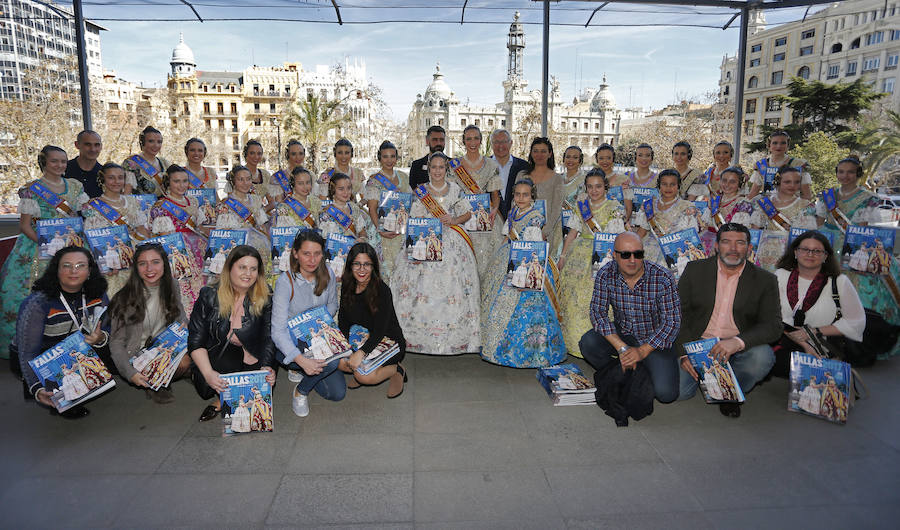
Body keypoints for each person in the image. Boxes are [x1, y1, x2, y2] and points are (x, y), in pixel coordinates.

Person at [676, 223, 782, 417]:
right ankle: (713, 377)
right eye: (726, 242)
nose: (733, 249)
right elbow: (678, 313)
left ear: (750, 249)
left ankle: (729, 392)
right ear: (716, 246)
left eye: (740, 243)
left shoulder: (765, 280)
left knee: (762, 358)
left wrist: (738, 342)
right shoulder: (694, 270)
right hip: (699, 344)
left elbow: (773, 325)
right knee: (679, 393)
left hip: (738, 346)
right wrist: (684, 354)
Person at [0, 145, 89, 358]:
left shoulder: (75, 187)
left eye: (63, 161)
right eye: (54, 161)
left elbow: (84, 214)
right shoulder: (32, 189)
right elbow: (25, 226)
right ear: (44, 163)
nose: (59, 165)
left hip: (70, 245)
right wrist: (49, 246)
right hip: (36, 248)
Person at [392, 152, 480, 355]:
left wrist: (453, 219)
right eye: (434, 167)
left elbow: (468, 212)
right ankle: (416, 337)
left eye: (441, 167)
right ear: (428, 168)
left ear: (446, 169)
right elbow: (412, 216)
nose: (438, 171)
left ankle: (455, 339)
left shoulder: (456, 189)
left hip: (452, 240)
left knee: (455, 284)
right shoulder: (420, 191)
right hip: (426, 240)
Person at [579, 232, 681, 403]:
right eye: (625, 255)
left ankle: (641, 366)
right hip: (624, 333)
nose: (632, 260)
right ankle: (622, 373)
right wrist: (622, 349)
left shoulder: (662, 277)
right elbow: (598, 313)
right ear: (614, 255)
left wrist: (642, 351)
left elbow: (672, 322)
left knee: (666, 394)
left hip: (654, 339)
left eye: (638, 254)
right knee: (588, 343)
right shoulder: (605, 274)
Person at [815, 156, 900, 357]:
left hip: (855, 249)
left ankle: (862, 343)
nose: (845, 176)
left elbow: (863, 230)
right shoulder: (828, 196)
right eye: (841, 171)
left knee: (861, 291)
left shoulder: (869, 198)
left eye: (850, 172)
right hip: (827, 248)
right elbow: (819, 223)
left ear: (858, 174)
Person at [15, 246, 111, 419]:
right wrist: (37, 388)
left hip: (80, 347)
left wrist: (100, 337)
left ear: (89, 271)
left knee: (115, 348)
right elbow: (27, 352)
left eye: (80, 265)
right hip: (44, 355)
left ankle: (83, 386)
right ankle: (59, 394)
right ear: (56, 270)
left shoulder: (98, 294)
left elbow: (108, 329)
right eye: (66, 265)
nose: (73, 271)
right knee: (63, 395)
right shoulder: (37, 304)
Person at [480, 178, 565, 367]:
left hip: (526, 262)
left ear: (532, 196)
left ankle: (531, 353)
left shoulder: (535, 217)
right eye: (517, 194)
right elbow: (506, 237)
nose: (520, 198)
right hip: (507, 258)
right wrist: (498, 257)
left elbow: (534, 247)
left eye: (525, 194)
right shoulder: (513, 212)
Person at [188, 245, 276, 422]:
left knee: (256, 400)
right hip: (221, 354)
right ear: (229, 268)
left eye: (253, 269)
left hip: (254, 353)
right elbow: (196, 340)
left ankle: (223, 401)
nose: (248, 274)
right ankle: (222, 396)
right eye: (242, 267)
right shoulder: (209, 295)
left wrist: (267, 366)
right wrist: (208, 373)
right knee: (221, 370)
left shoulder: (265, 295)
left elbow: (269, 337)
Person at [271, 230, 346, 417]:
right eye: (306, 253)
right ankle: (300, 390)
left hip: (316, 333)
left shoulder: (327, 272)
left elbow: (332, 304)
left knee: (337, 393)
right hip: (290, 342)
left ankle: (304, 375)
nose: (312, 260)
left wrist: (318, 324)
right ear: (295, 253)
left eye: (317, 253)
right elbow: (278, 332)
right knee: (331, 363)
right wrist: (301, 359)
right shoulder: (285, 282)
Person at [772, 231, 866, 376]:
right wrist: (803, 344)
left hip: (821, 344)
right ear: (795, 252)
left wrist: (814, 332)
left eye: (817, 251)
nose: (810, 254)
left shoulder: (839, 282)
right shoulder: (780, 276)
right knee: (765, 359)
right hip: (784, 339)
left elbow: (856, 322)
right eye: (805, 249)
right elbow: (771, 316)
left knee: (816, 373)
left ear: (825, 256)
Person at [108, 243, 191, 403]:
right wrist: (129, 372)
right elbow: (116, 343)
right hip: (137, 354)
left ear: (164, 264)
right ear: (136, 268)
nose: (149, 269)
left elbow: (179, 312)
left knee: (197, 352)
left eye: (155, 262)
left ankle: (165, 376)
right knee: (186, 362)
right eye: (142, 263)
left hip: (164, 345)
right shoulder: (123, 298)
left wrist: (183, 323)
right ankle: (156, 382)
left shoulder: (172, 285)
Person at [557, 169, 626, 357]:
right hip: (579, 253)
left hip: (604, 253)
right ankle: (571, 342)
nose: (594, 191)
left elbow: (617, 236)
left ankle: (599, 342)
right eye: (590, 187)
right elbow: (572, 233)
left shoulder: (614, 207)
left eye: (598, 186)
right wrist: (563, 256)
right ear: (585, 188)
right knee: (571, 297)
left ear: (605, 187)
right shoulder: (581, 206)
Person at [337, 243, 408, 397]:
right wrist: (345, 348)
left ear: (373, 266)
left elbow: (380, 330)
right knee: (340, 362)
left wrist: (361, 353)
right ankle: (362, 370)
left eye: (367, 264)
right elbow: (343, 321)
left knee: (364, 377)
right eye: (357, 264)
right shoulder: (347, 285)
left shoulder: (382, 290)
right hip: (362, 336)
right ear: (350, 265)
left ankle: (396, 369)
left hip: (388, 340)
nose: (362, 270)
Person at [82, 162, 151, 295]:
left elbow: (142, 229)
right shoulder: (94, 206)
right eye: (111, 178)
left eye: (120, 177)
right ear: (103, 179)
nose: (116, 181)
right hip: (111, 261)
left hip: (135, 258)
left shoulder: (132, 202)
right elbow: (92, 238)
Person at [149, 164, 207, 313]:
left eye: (184, 181)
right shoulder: (161, 206)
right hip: (178, 254)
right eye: (176, 181)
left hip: (199, 251)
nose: (182, 185)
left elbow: (200, 228)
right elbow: (164, 239)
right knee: (184, 294)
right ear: (168, 183)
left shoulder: (193, 201)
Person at [449, 125, 503, 285]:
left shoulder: (491, 165)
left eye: (476, 138)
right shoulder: (454, 165)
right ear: (463, 141)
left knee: (486, 263)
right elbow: (452, 195)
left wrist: (494, 210)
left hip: (485, 219)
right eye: (468, 139)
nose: (472, 142)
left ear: (481, 140)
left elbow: (495, 196)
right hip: (462, 219)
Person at [633, 169, 708, 266]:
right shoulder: (649, 204)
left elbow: (689, 235)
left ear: (678, 186)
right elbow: (642, 231)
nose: (668, 188)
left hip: (673, 253)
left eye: (672, 184)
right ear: (659, 186)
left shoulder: (686, 207)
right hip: (648, 252)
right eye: (664, 184)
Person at [364, 140, 411, 283]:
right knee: (385, 271)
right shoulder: (374, 180)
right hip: (381, 229)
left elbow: (409, 202)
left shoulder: (403, 176)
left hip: (401, 229)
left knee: (402, 271)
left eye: (392, 156)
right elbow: (372, 208)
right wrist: (381, 230)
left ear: (397, 158)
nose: (389, 160)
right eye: (385, 156)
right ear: (379, 158)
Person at [215, 165, 271, 275]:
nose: (245, 183)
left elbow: (262, 225)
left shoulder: (256, 199)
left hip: (260, 242)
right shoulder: (226, 204)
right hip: (238, 245)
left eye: (248, 179)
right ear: (233, 182)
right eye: (240, 179)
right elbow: (225, 232)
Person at [518, 137, 564, 257]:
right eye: (536, 151)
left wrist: (545, 232)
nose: (539, 155)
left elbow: (556, 209)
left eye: (543, 151)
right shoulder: (522, 175)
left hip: (546, 233)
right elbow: (515, 203)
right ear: (531, 153)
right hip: (522, 230)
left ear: (550, 154)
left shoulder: (557, 179)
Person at [747, 130, 812, 200]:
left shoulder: (798, 164)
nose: (779, 146)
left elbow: (807, 195)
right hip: (768, 208)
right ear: (769, 145)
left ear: (787, 145)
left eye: (783, 143)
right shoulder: (761, 165)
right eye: (775, 143)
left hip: (792, 207)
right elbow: (753, 194)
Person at [491, 129, 531, 221]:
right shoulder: (484, 166)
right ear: (492, 144)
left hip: (518, 221)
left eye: (504, 141)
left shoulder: (524, 166)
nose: (500, 146)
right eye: (496, 142)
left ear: (511, 143)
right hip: (492, 222)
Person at [124, 126, 170, 196]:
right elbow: (126, 194)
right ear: (142, 143)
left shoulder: (164, 163)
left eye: (159, 142)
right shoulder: (131, 163)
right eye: (151, 141)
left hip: (166, 205)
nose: (156, 145)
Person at [558, 146, 586, 257]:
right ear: (563, 159)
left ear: (580, 161)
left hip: (575, 226)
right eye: (568, 157)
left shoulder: (584, 180)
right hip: (557, 226)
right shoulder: (557, 179)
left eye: (575, 157)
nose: (571, 160)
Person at [594, 143, 632, 219]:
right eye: (601, 158)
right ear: (597, 159)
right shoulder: (591, 179)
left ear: (613, 159)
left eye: (608, 158)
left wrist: (623, 223)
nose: (605, 161)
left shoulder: (623, 179)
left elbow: (628, 208)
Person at [65, 130, 103, 198]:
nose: (93, 149)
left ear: (101, 147)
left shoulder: (105, 173)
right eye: (88, 144)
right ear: (77, 145)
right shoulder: (63, 169)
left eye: (96, 145)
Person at [409, 125, 446, 190]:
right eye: (435, 140)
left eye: (441, 140)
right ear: (427, 141)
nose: (438, 143)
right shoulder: (416, 165)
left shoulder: (454, 165)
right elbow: (412, 191)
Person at [239, 139, 271, 207]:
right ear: (246, 154)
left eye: (259, 153)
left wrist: (262, 212)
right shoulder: (237, 174)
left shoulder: (266, 175)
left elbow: (272, 202)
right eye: (252, 153)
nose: (256, 157)